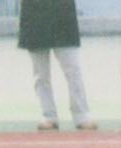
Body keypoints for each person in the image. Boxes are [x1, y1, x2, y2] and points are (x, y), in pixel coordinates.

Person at [19, 0, 97, 130]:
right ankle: (48, 116)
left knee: (73, 70)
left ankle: (82, 116)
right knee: (40, 74)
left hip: (63, 15)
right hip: (34, 14)